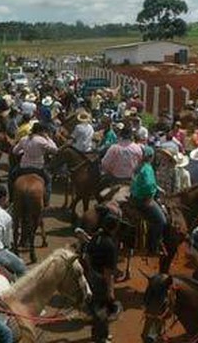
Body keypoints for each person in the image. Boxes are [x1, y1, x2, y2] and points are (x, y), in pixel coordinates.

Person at [85, 205, 122, 343]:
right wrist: (110, 290)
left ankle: (98, 334)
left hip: (92, 276)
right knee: (103, 310)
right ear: (114, 228)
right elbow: (108, 273)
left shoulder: (95, 238)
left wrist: (91, 272)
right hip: (101, 280)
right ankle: (101, 338)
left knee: (95, 308)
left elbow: (87, 257)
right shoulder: (110, 246)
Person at [130, 146, 167, 255]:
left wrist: (157, 188)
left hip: (136, 196)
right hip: (144, 200)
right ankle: (153, 247)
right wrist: (154, 191)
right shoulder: (147, 168)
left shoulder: (140, 166)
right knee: (161, 221)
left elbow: (148, 183)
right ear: (151, 157)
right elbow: (149, 186)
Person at [11, 122, 58, 207]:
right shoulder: (42, 140)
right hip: (38, 168)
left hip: (23, 167)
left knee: (11, 178)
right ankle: (46, 202)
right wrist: (48, 138)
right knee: (48, 181)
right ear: (41, 131)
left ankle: (11, 199)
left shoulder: (24, 139)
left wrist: (24, 151)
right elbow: (55, 150)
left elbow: (15, 151)